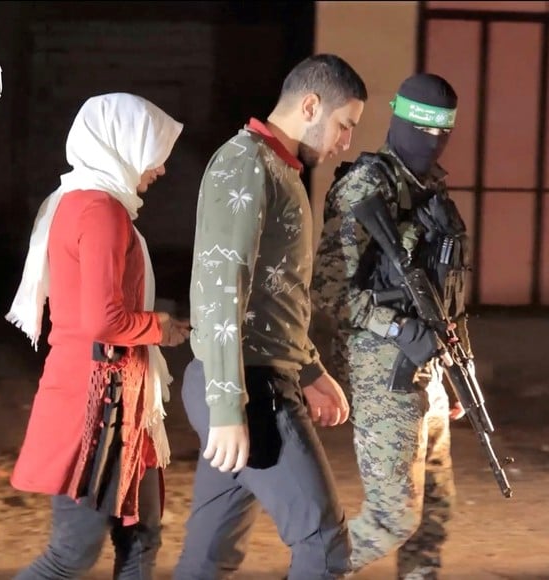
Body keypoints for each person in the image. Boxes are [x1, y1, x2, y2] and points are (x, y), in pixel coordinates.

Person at [173, 54, 367, 580]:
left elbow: (272, 295)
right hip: (248, 386)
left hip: (253, 379)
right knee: (326, 549)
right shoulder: (247, 164)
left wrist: (310, 370)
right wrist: (228, 405)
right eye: (344, 125)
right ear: (310, 106)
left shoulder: (278, 169)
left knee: (210, 556)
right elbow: (219, 288)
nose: (345, 141)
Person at [5, 92, 191, 579]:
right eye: (154, 152)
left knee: (142, 536)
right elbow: (104, 320)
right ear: (122, 143)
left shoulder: (83, 202)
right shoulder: (101, 212)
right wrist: (162, 328)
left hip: (119, 396)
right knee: (73, 554)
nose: (161, 168)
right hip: (95, 404)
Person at [311, 72, 471, 579]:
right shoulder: (366, 187)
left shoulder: (430, 191)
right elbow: (332, 296)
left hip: (429, 369)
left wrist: (456, 365)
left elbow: (445, 293)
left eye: (442, 131)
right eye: (423, 130)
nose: (433, 141)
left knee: (434, 515)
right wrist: (400, 331)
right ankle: (313, 572)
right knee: (392, 517)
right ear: (401, 120)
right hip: (382, 370)